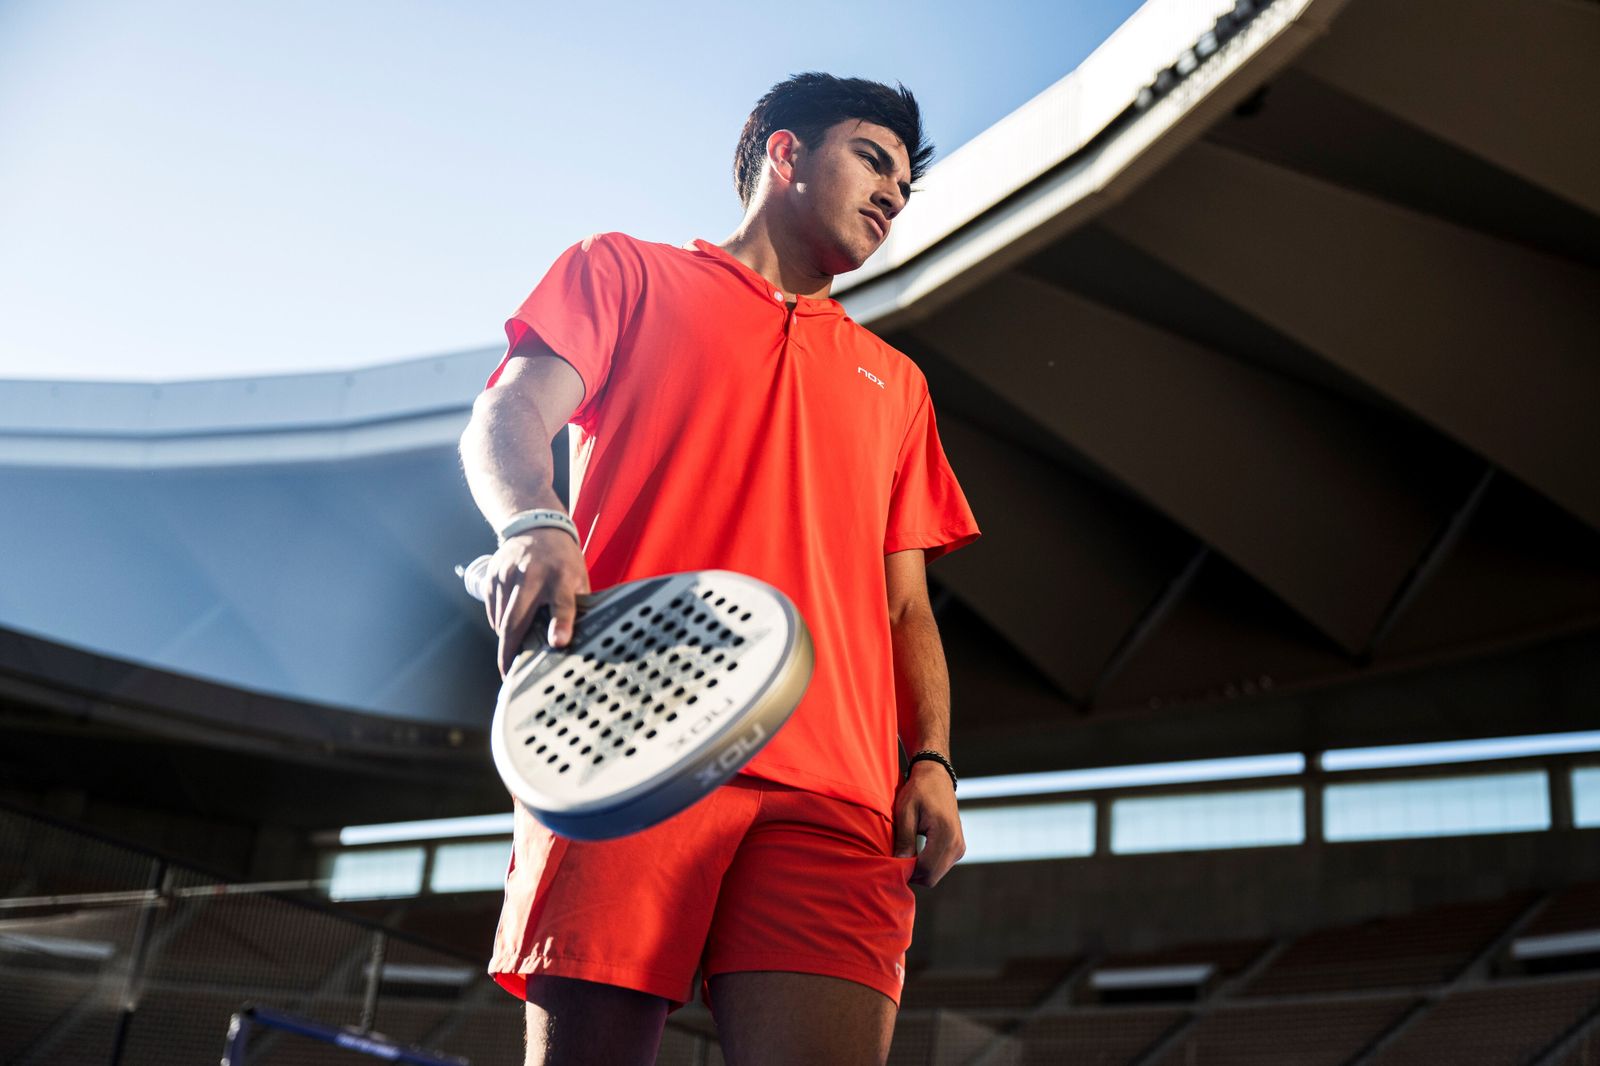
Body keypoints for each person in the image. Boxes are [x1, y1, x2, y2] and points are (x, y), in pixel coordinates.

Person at [458, 72, 981, 1066]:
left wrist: (932, 759)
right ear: (783, 153)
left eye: (905, 187)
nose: (892, 196)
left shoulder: (899, 386)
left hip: (838, 793)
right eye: (873, 160)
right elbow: (507, 413)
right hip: (625, 742)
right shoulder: (622, 272)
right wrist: (532, 520)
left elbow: (906, 608)